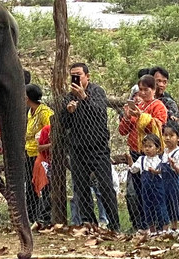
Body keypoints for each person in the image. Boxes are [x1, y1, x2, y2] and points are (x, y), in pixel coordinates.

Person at [62, 62, 119, 232]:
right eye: (73, 75)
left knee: (106, 186)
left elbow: (99, 113)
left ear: (87, 76)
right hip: (78, 148)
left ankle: (114, 225)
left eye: (79, 74)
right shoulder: (69, 96)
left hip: (98, 147)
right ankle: (89, 223)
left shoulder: (96, 92)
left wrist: (84, 98)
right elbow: (64, 123)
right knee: (81, 188)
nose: (76, 78)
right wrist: (69, 112)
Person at [120, 74, 166, 233]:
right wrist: (127, 117)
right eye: (140, 90)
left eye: (146, 90)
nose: (143, 93)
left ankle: (159, 226)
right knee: (134, 193)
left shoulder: (158, 106)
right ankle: (140, 225)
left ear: (153, 90)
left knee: (153, 191)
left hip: (152, 155)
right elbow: (122, 131)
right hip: (135, 153)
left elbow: (158, 127)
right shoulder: (136, 106)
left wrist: (141, 116)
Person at [24, 84, 53, 225]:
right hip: (29, 152)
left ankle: (44, 217)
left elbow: (52, 131)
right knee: (30, 186)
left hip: (42, 155)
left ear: (27, 97)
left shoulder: (44, 112)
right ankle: (31, 217)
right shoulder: (31, 111)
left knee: (44, 186)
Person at [131, 133, 169, 237]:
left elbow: (164, 171)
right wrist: (130, 162)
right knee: (148, 208)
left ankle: (164, 229)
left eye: (150, 146)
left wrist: (157, 172)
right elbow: (134, 170)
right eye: (145, 146)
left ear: (157, 148)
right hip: (146, 189)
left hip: (158, 188)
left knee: (160, 207)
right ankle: (152, 231)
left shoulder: (160, 160)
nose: (147, 149)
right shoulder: (141, 160)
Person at [160, 123, 179, 235]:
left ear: (178, 137)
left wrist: (174, 165)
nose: (168, 138)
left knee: (178, 204)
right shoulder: (164, 152)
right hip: (165, 183)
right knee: (169, 204)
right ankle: (173, 227)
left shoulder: (178, 152)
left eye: (171, 135)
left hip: (175, 182)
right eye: (165, 135)